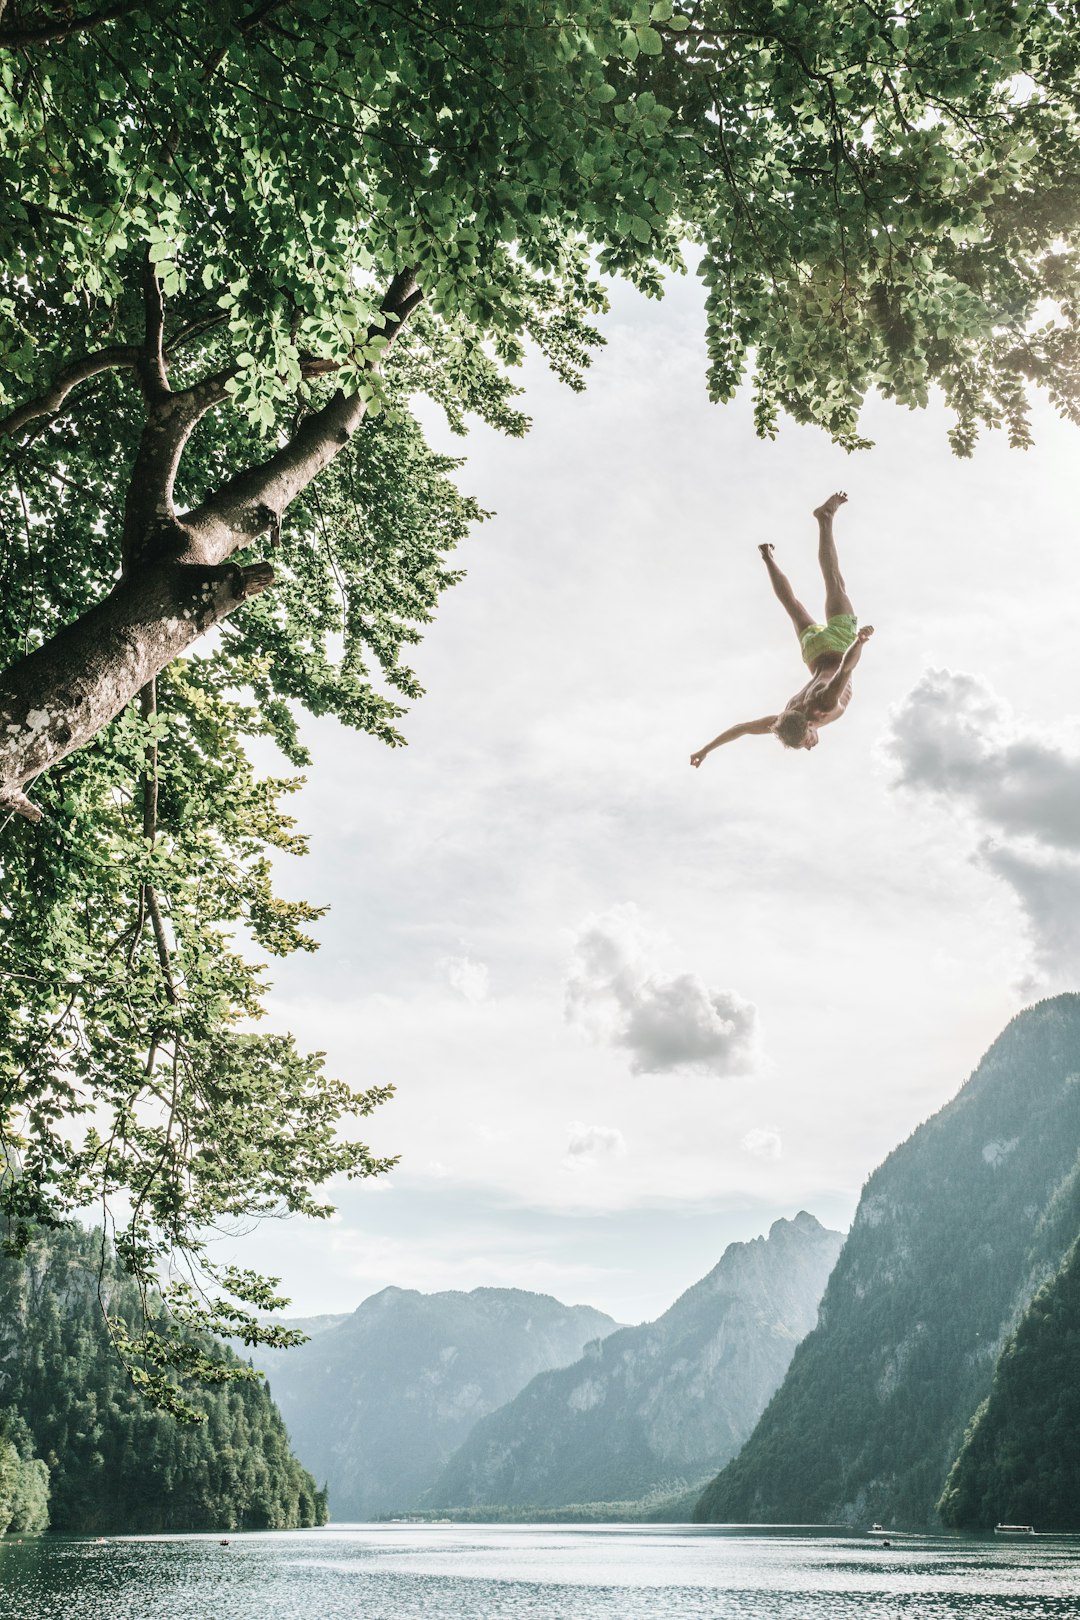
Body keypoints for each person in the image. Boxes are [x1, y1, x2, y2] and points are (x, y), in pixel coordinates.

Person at [690, 492, 874, 764]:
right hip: (812, 651)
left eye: (806, 741)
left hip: (838, 645)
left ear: (810, 725)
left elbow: (846, 668)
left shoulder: (823, 705)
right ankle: (767, 558)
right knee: (791, 605)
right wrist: (704, 750)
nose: (811, 746)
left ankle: (825, 519)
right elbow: (741, 730)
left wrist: (859, 641)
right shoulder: (786, 717)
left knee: (834, 580)